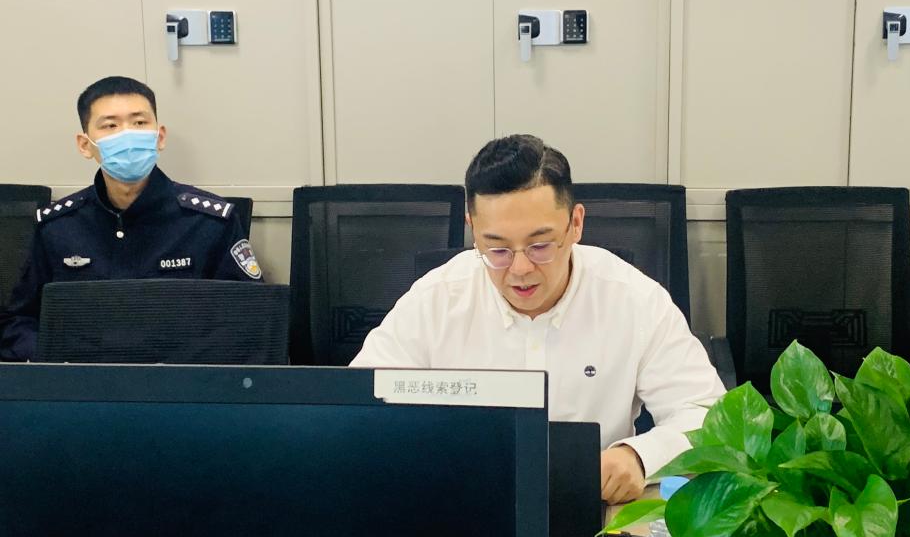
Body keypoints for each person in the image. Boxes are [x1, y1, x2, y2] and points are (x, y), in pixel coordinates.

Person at [351, 134, 725, 503]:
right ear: (473, 231)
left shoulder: (634, 300)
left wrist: (640, 457)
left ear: (575, 223)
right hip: (458, 503)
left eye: (540, 245)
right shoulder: (436, 299)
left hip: (591, 508)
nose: (520, 269)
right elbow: (357, 410)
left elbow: (710, 417)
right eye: (497, 249)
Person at [0, 76, 263, 362]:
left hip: (182, 380)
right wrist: (56, 361)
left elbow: (251, 319)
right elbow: (19, 320)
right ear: (85, 145)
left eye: (139, 123)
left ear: (159, 137)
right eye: (110, 126)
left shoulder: (210, 222)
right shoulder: (58, 227)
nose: (127, 135)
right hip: (84, 379)